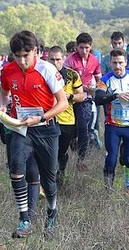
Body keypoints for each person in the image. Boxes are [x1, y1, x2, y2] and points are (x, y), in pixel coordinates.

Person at [0, 30, 67, 239]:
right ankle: (24, 219)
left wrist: (42, 117)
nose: (21, 60)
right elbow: (4, 95)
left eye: (25, 55)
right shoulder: (8, 71)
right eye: (17, 56)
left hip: (46, 129)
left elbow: (62, 103)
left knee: (49, 180)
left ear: (35, 51)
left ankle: (52, 211)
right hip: (22, 128)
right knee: (16, 168)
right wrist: (2, 108)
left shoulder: (47, 69)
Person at [94, 49, 129, 193]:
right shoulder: (105, 80)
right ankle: (108, 189)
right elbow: (98, 98)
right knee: (111, 159)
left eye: (121, 63)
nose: (118, 66)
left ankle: (128, 184)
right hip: (112, 126)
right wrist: (115, 96)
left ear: (126, 63)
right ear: (110, 63)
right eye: (114, 63)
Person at [45, 46, 84, 186]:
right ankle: (49, 179)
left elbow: (81, 96)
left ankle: (61, 171)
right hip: (48, 119)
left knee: (61, 151)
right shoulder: (42, 74)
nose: (55, 63)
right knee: (49, 152)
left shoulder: (72, 75)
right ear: (47, 59)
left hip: (66, 120)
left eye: (58, 59)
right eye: (52, 59)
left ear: (63, 59)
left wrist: (69, 96)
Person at [63, 33, 101, 170]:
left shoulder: (95, 61)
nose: (84, 51)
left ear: (90, 47)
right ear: (76, 47)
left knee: (83, 128)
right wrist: (81, 88)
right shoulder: (69, 61)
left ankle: (81, 159)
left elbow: (99, 80)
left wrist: (97, 90)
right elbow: (65, 81)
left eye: (87, 48)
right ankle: (72, 143)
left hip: (86, 100)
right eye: (81, 47)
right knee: (71, 129)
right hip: (71, 99)